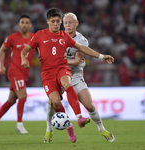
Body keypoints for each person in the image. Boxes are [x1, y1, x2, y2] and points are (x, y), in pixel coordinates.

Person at [21, 8, 114, 143]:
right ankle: (52, 129)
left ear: (76, 23)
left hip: (71, 73)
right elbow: (27, 50)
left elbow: (77, 59)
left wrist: (101, 56)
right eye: (65, 22)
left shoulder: (78, 39)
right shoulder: (44, 35)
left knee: (89, 105)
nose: (66, 25)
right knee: (54, 102)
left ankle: (100, 128)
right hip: (49, 73)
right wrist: (39, 58)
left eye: (69, 22)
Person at [0, 14, 35, 134]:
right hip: (14, 71)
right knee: (23, 96)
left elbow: (41, 51)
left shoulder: (34, 38)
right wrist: (1, 65)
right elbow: (2, 50)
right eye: (22, 22)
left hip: (24, 73)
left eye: (26, 23)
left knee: (11, 101)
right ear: (19, 24)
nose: (24, 25)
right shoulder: (12, 38)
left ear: (30, 25)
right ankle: (19, 124)